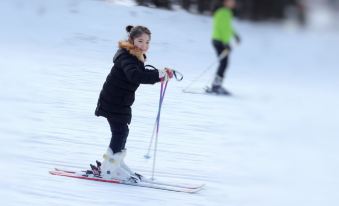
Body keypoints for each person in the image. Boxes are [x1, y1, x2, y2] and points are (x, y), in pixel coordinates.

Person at [95, 25, 173, 181]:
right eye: (140, 41)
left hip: (119, 102)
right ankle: (109, 168)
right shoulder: (127, 57)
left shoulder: (135, 56)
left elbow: (141, 73)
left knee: (122, 131)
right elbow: (135, 75)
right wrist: (158, 74)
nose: (144, 45)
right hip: (113, 101)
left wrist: (160, 74)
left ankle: (114, 161)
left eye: (147, 42)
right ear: (131, 40)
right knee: (120, 132)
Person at [210, 0, 241, 95]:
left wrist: (235, 35)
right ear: (224, 2)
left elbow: (228, 27)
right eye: (230, 1)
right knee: (224, 63)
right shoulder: (223, 12)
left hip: (220, 41)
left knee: (224, 63)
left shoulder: (227, 12)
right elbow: (220, 27)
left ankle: (216, 85)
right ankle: (216, 86)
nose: (233, 3)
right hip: (219, 41)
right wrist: (225, 43)